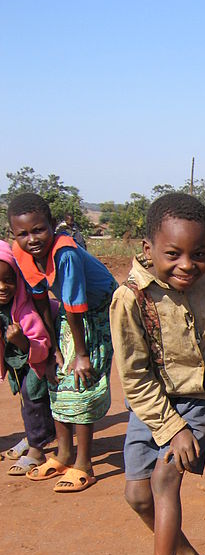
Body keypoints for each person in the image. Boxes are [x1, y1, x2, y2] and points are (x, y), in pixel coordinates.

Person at [104, 193, 205, 555]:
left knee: (164, 477)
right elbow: (135, 380)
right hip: (152, 405)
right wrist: (171, 427)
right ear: (147, 249)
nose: (186, 265)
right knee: (136, 496)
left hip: (198, 400)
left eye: (197, 253)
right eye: (172, 254)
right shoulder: (130, 299)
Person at [9, 193, 117, 492]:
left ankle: (84, 463)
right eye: (23, 234)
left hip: (98, 311)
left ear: (53, 226)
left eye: (39, 230)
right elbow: (42, 299)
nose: (32, 239)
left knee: (83, 379)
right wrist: (55, 348)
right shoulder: (24, 254)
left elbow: (75, 305)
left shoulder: (65, 254)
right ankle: (64, 453)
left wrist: (81, 354)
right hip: (69, 314)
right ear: (13, 235)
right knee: (57, 377)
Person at [0, 240, 55, 475]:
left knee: (34, 397)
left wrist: (22, 341)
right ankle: (33, 435)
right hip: (16, 361)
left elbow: (42, 344)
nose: (2, 287)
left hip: (36, 358)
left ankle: (37, 449)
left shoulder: (25, 309)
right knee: (25, 399)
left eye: (9, 280)